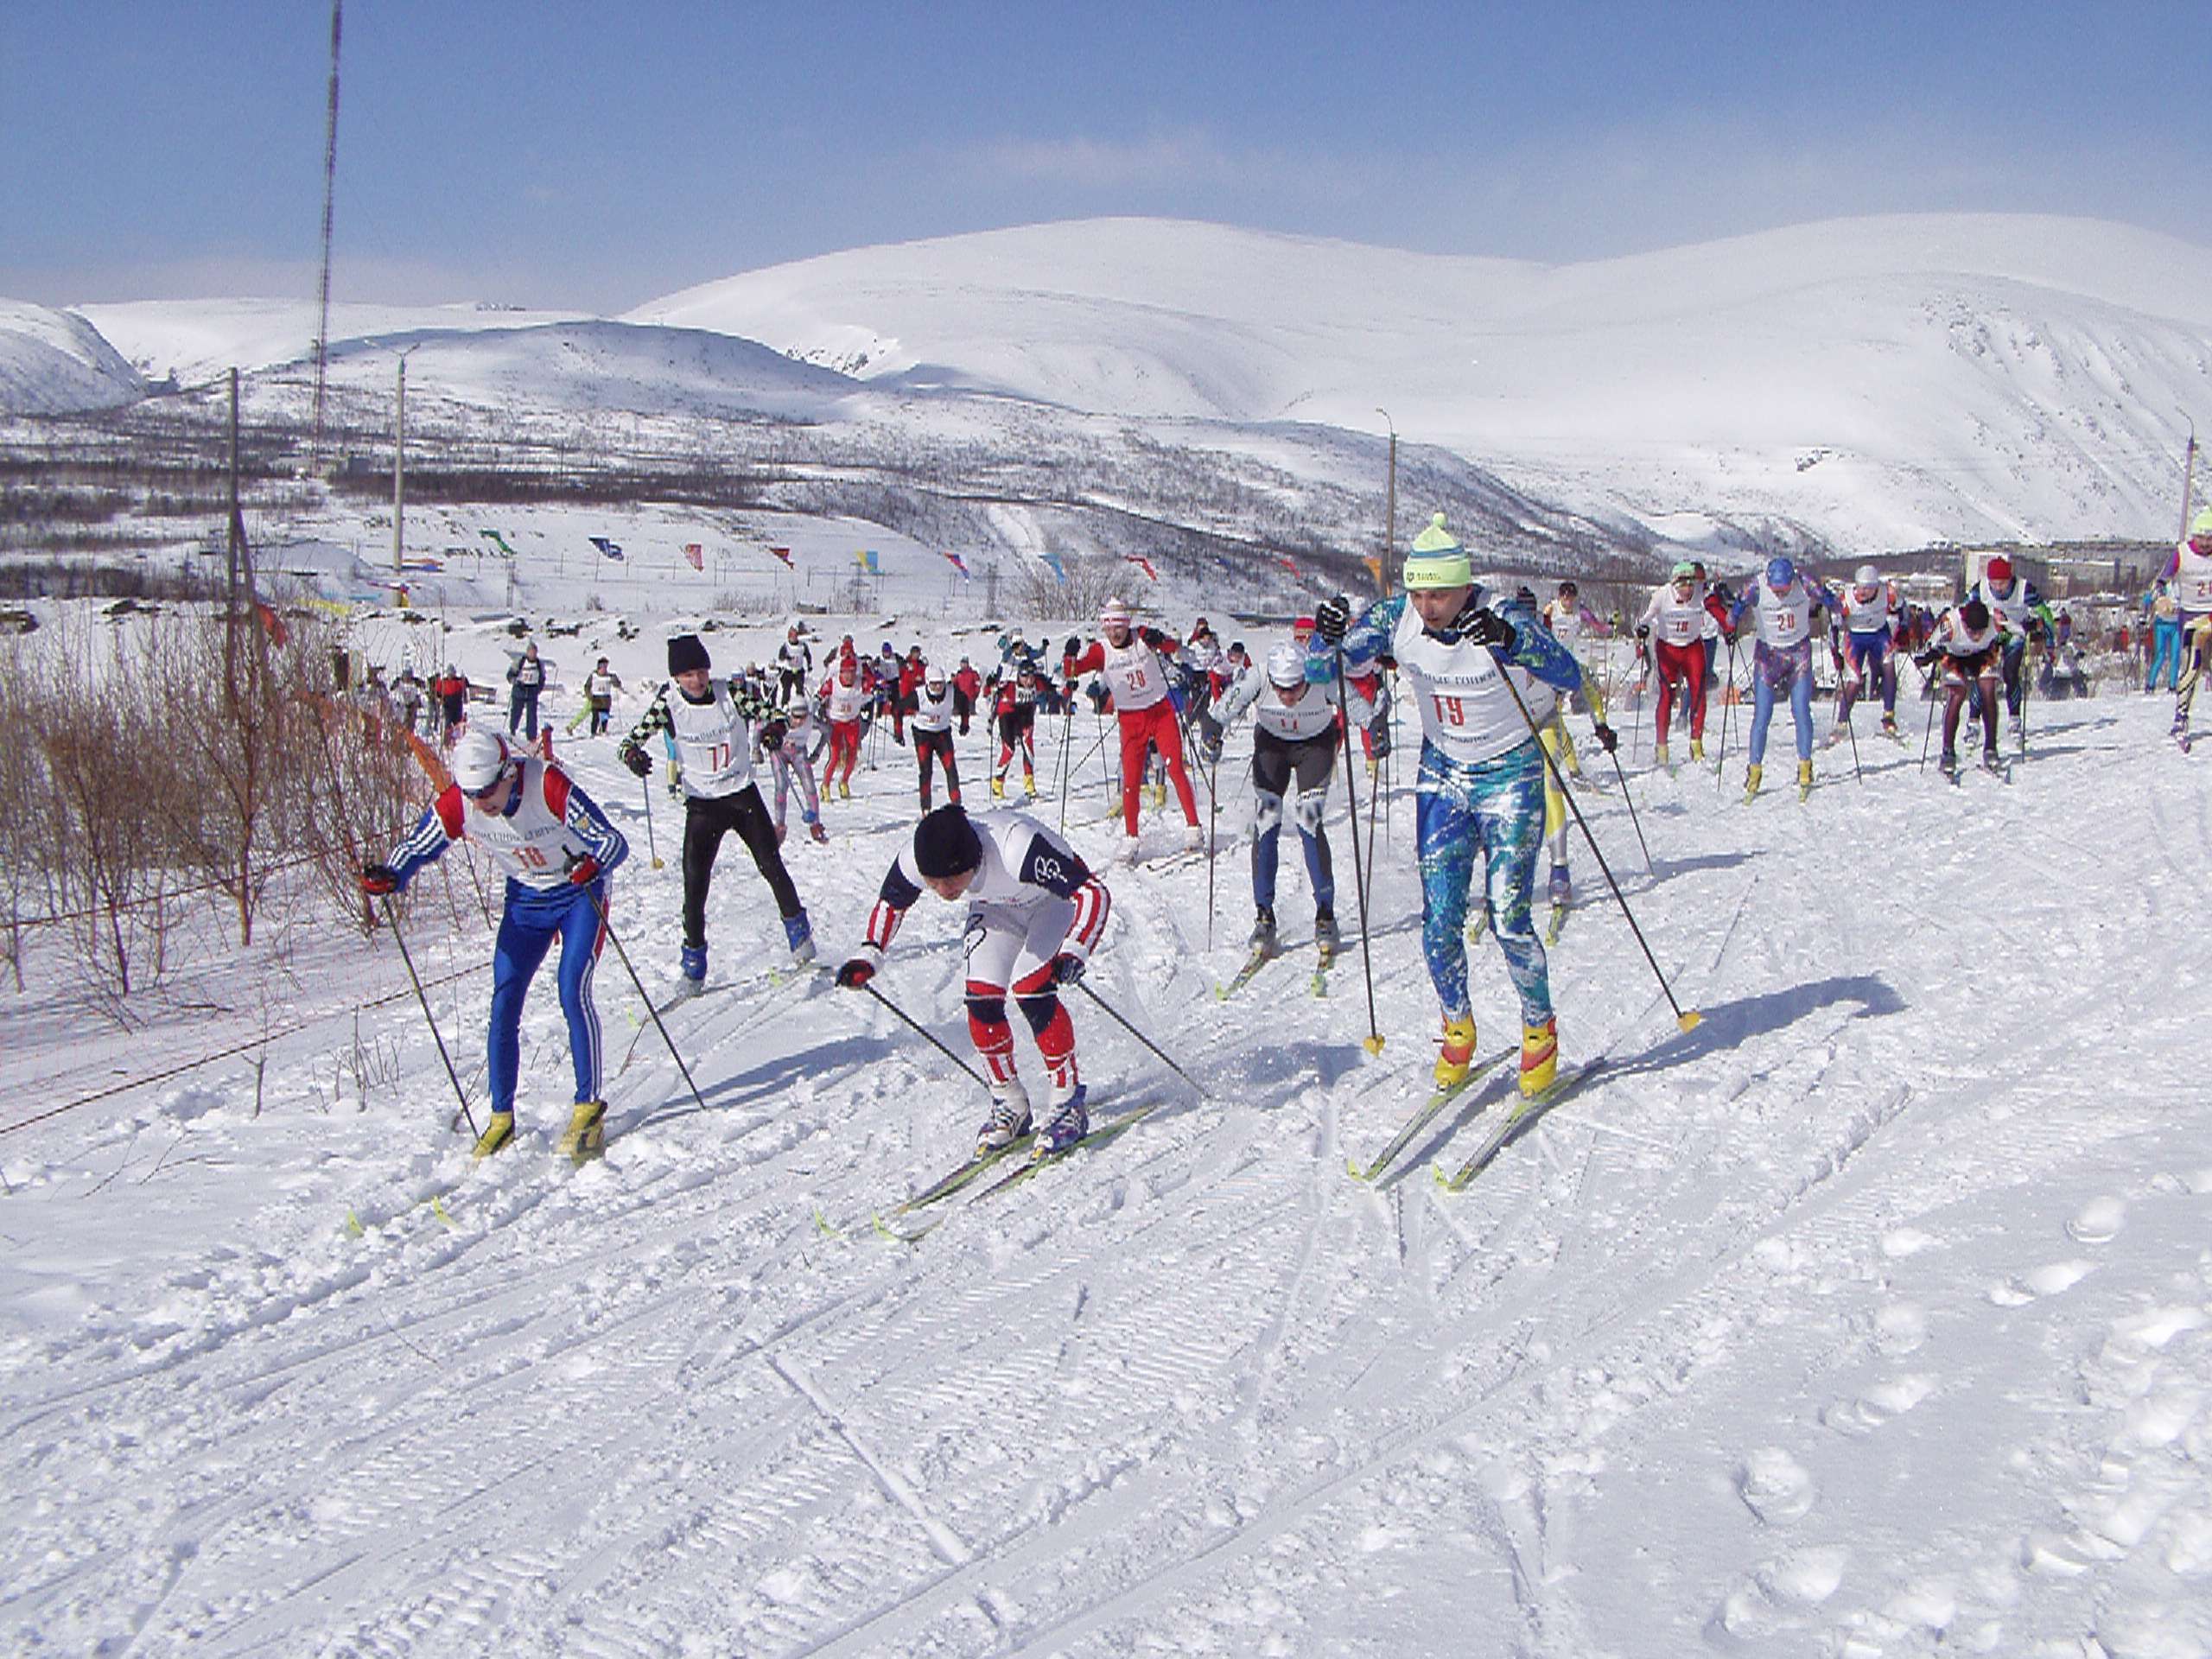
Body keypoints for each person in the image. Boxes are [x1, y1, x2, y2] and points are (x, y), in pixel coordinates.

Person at [1315, 512, 1586, 1098]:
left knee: (1509, 914)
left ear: (1465, 585)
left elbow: (1570, 672)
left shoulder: (1503, 616)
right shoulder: (1397, 619)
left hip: (1509, 772)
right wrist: (1327, 634)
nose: (1427, 605)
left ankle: (1539, 1029)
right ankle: (1457, 1026)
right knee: (1439, 918)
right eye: (1417, 591)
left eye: (1438, 593)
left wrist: (1515, 641)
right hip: (1442, 773)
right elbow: (1323, 669)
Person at [361, 728, 627, 1163]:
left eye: (487, 791)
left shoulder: (547, 784)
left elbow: (613, 842)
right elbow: (421, 845)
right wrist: (393, 874)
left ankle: (589, 1108)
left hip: (579, 894)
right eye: (471, 792)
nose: (480, 802)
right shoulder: (461, 801)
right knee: (503, 1001)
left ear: (508, 774)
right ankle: (501, 1119)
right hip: (525, 900)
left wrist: (591, 863)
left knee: (571, 988)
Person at [837, 804, 1111, 1159]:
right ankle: (1009, 1101)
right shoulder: (920, 857)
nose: (943, 890)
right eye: (933, 883)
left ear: (971, 860)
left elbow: (1093, 892)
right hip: (997, 908)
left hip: (1052, 903)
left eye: (950, 880)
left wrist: (1075, 950)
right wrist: (869, 955)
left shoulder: (1015, 847)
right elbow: (891, 904)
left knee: (1031, 989)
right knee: (981, 1000)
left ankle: (1067, 1100)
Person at [617, 634, 815, 1001]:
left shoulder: (730, 694)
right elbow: (629, 742)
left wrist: (772, 730)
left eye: (702, 671)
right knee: (695, 885)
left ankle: (800, 939)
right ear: (676, 677)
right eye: (688, 674)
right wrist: (633, 757)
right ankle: (693, 968)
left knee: (771, 865)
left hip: (741, 795)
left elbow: (774, 716)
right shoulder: (668, 704)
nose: (697, 680)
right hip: (703, 804)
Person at [1198, 642, 1370, 959]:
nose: (1287, 697)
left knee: (1309, 821)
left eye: (1294, 689)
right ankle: (1264, 915)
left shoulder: (1322, 676)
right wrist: (1211, 734)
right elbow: (1219, 712)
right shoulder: (1259, 677)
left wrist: (1377, 726)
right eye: (1280, 689)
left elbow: (1359, 707)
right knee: (1266, 823)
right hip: (1272, 746)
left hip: (1315, 746)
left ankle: (1325, 915)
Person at [1063, 598, 1202, 857]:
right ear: (1104, 628)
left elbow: (1172, 647)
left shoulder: (1142, 638)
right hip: (1130, 721)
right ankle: (1131, 837)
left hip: (1160, 713)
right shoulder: (1101, 651)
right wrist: (1069, 654)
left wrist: (1159, 639)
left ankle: (1194, 827)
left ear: (1127, 625)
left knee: (1174, 767)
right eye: (1110, 628)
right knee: (1132, 779)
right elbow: (1072, 671)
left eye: (1119, 627)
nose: (1115, 633)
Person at [1726, 557, 1839, 802]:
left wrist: (1833, 606)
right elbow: (1737, 606)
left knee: (1800, 710)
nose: (1779, 594)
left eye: (1784, 589)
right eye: (1775, 589)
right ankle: (1754, 771)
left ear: (1792, 580)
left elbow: (1827, 596)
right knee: (1762, 715)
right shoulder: (1755, 587)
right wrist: (1732, 620)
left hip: (1799, 654)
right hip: (1769, 656)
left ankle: (1806, 767)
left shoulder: (1804, 581)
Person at [1916, 597, 2005, 777]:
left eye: (1981, 631)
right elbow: (1928, 646)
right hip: (1954, 656)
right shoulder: (1950, 622)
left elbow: (2016, 630)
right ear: (1964, 623)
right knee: (1957, 693)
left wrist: (2031, 629)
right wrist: (1929, 656)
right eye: (1972, 632)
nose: (1976, 636)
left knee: (1988, 690)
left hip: (1982, 655)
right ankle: (1948, 751)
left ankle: (1990, 747)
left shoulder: (1995, 620)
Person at [1635, 561, 1713, 768]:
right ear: (1674, 584)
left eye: (1691, 585)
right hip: (1668, 648)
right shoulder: (1662, 595)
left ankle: (1696, 743)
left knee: (1698, 692)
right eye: (1683, 586)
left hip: (1692, 647)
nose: (1688, 591)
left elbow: (1718, 609)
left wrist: (1729, 625)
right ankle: (1661, 747)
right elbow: (1647, 618)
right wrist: (1641, 629)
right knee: (1667, 695)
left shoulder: (1700, 593)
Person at [1968, 555, 2053, 738]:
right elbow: (1966, 613)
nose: (1998, 588)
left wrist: (2050, 643)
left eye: (2002, 583)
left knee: (2011, 672)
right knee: (1982, 672)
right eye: (1994, 583)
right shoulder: (1980, 590)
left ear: (2010, 578)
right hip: (1992, 633)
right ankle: (1973, 721)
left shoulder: (2024, 590)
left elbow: (2046, 614)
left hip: (2015, 632)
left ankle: (2014, 719)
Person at [2157, 509, 2212, 740]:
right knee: (2192, 666)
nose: (2207, 543)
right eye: (2202, 538)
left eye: (2210, 538)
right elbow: (2161, 580)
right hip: (2191, 617)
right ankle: (2181, 717)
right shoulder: (2181, 553)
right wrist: (2162, 597)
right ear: (2194, 536)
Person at [1832, 564, 1902, 741]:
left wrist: (1905, 628)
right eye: (1860, 587)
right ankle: (1842, 722)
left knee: (1889, 667)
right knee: (1854, 681)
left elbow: (1902, 607)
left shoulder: (1887, 593)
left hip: (1879, 633)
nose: (1863, 592)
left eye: (1868, 588)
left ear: (1876, 587)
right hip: (1855, 637)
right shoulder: (1846, 599)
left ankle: (1888, 715)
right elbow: (1833, 626)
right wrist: (1835, 652)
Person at [764, 691, 830, 846]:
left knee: (810, 787)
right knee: (781, 787)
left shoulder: (811, 721)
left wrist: (817, 752)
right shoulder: (780, 719)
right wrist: (760, 746)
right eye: (796, 717)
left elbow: (827, 730)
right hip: (779, 752)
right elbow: (761, 727)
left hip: (798, 752)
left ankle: (815, 824)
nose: (800, 721)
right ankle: (779, 827)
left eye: (803, 716)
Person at [907, 661, 963, 810]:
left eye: (940, 684)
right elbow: (899, 708)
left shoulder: (951, 691)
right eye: (934, 684)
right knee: (926, 771)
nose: (938, 688)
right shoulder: (918, 695)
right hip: (922, 734)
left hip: (942, 734)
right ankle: (926, 808)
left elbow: (963, 701)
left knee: (951, 768)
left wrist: (965, 722)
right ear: (927, 683)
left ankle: (957, 804)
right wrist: (898, 730)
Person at [818, 646, 868, 799]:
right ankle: (825, 786)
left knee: (852, 756)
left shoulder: (860, 683)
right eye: (846, 673)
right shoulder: (833, 683)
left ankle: (844, 782)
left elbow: (873, 684)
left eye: (852, 673)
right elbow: (821, 694)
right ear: (841, 672)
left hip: (852, 722)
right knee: (834, 756)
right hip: (835, 723)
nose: (849, 677)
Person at [989, 659, 1042, 799]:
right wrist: (991, 720)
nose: (1029, 681)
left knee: (1028, 748)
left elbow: (1054, 687)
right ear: (1018, 676)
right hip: (1008, 718)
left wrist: (1070, 685)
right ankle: (997, 784)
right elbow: (995, 695)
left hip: (1025, 718)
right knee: (1009, 750)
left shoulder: (1038, 683)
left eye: (1032, 677)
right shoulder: (1010, 687)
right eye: (1025, 677)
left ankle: (1030, 786)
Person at [2145, 578, 2183, 693]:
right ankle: (2150, 684)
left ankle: (2172, 685)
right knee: (2160, 655)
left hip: (2175, 624)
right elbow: (2147, 600)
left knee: (2175, 655)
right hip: (2161, 624)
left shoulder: (2182, 584)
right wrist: (2154, 596)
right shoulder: (2160, 584)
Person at [505, 642, 547, 741]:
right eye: (531, 652)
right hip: (520, 689)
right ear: (527, 652)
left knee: (532, 716)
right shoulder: (520, 661)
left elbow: (542, 678)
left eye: (535, 652)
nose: (533, 654)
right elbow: (510, 674)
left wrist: (539, 689)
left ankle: (531, 737)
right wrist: (513, 679)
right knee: (516, 712)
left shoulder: (539, 664)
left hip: (532, 691)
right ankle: (512, 731)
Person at [775, 623, 813, 706]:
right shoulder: (786, 646)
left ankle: (800, 704)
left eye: (795, 636)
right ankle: (784, 705)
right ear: (789, 637)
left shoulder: (802, 645)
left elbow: (808, 655)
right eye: (792, 636)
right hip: (788, 670)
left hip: (799, 670)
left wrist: (809, 665)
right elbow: (780, 657)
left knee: (800, 689)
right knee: (786, 690)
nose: (794, 638)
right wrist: (787, 657)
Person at [583, 658, 622, 738]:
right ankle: (593, 732)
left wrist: (615, 681)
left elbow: (618, 685)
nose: (604, 668)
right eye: (603, 666)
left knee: (604, 716)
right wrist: (589, 695)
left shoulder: (610, 676)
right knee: (596, 717)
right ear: (599, 666)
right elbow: (587, 686)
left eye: (606, 666)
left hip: (606, 699)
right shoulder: (593, 676)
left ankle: (603, 730)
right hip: (596, 698)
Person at [435, 665, 470, 743]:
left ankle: (457, 741)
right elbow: (437, 692)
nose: (450, 676)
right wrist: (440, 699)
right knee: (447, 724)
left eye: (452, 674)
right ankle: (446, 741)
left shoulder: (458, 681)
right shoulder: (443, 682)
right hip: (447, 706)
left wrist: (464, 679)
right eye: (449, 674)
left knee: (457, 723)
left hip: (457, 705)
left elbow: (466, 684)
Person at [952, 655, 982, 734]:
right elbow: (954, 684)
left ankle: (966, 727)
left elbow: (978, 684)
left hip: (969, 697)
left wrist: (976, 694)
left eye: (965, 663)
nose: (963, 665)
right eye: (962, 663)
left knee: (968, 714)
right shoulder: (959, 674)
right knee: (960, 713)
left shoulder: (973, 674)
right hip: (960, 699)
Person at [393, 665, 424, 734]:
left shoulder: (415, 682)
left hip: (411, 706)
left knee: (410, 725)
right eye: (406, 675)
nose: (407, 678)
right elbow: (392, 688)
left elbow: (423, 685)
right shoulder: (399, 682)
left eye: (409, 675)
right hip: (401, 706)